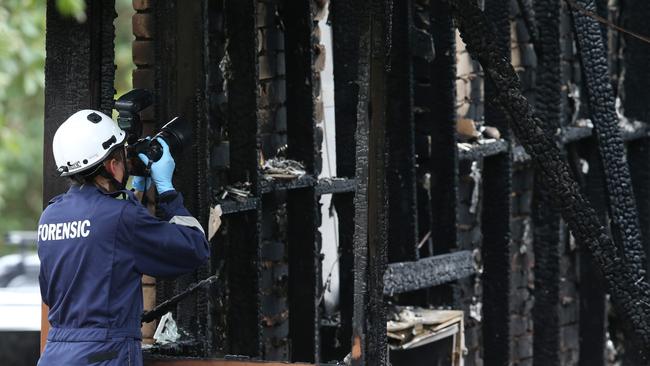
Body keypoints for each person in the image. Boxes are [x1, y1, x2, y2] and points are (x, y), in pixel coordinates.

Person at [37, 109, 210, 365]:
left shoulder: (50, 216)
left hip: (56, 355)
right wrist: (167, 190)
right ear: (111, 164)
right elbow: (195, 248)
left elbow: (103, 249)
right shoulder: (120, 217)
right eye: (121, 154)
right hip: (104, 356)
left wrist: (133, 194)